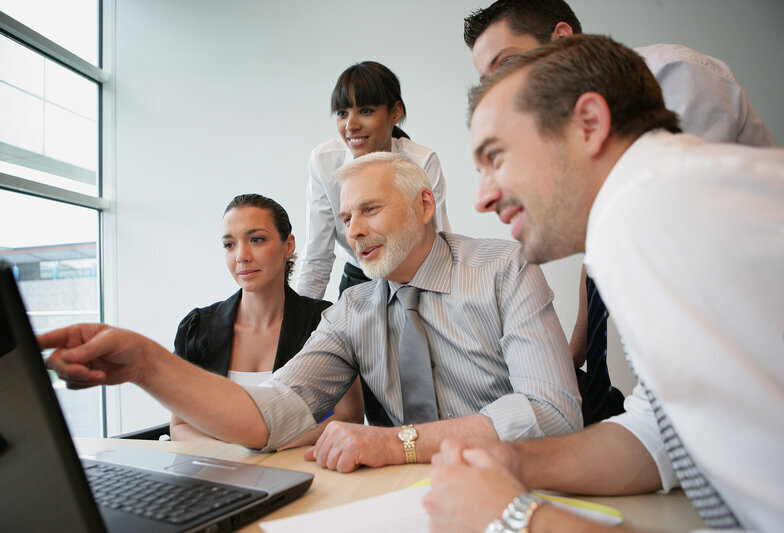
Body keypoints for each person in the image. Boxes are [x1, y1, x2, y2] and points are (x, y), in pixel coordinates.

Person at [423, 35, 784, 532]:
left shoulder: (643, 209)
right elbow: (662, 431)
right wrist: (515, 463)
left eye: (496, 156)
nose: (482, 198)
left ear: (588, 125)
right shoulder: (669, 197)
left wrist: (511, 518)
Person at [41, 152, 581, 473]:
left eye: (370, 209)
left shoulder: (504, 268)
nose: (355, 231)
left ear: (424, 205)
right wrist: (146, 364)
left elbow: (553, 414)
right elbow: (270, 413)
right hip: (402, 502)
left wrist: (397, 443)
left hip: (520, 484)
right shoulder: (353, 309)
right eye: (346, 217)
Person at [463, 0, 780, 425]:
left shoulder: (672, 78)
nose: (500, 89)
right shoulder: (620, 228)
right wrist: (575, 351)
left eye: (508, 66)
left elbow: (658, 211)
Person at [171, 193, 363, 447]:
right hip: (219, 473)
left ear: (289, 245)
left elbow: (348, 416)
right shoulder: (197, 328)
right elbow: (180, 425)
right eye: (229, 244)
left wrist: (268, 451)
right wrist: (237, 457)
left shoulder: (327, 321)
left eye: (257, 239)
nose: (241, 255)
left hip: (302, 470)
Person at [296, 61, 451, 300]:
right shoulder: (324, 161)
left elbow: (439, 240)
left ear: (395, 113)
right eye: (342, 113)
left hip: (416, 276)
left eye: (365, 111)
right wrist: (298, 327)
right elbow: (317, 255)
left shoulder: (422, 161)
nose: (351, 125)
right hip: (359, 276)